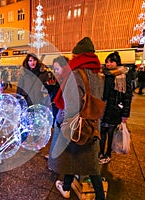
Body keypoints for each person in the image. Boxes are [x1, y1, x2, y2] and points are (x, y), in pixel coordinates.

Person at [48, 37, 105, 199]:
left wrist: (59, 122)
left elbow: (70, 107)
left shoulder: (74, 74)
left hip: (76, 126)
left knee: (72, 156)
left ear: (78, 56)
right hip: (91, 124)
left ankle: (70, 189)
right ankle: (70, 186)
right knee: (88, 163)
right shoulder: (98, 75)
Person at [99, 52, 133, 164]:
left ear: (117, 63)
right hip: (103, 108)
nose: (108, 64)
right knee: (102, 131)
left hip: (115, 109)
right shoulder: (103, 75)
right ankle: (100, 152)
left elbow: (127, 96)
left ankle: (108, 153)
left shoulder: (123, 75)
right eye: (107, 62)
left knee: (110, 132)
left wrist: (125, 114)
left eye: (111, 61)